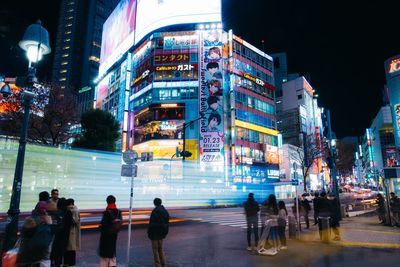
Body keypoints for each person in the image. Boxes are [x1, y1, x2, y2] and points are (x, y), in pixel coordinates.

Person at [99, 195, 122, 267]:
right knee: (112, 254)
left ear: (107, 202)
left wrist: (100, 226)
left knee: (105, 257)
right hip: (114, 236)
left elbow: (104, 226)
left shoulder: (106, 213)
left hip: (106, 238)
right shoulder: (118, 212)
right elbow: (120, 224)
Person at [148, 198, 170, 267]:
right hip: (161, 233)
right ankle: (164, 264)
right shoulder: (165, 211)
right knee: (160, 249)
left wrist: (149, 233)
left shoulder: (155, 211)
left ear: (154, 203)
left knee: (155, 250)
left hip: (155, 234)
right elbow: (167, 222)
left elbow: (151, 224)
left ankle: (158, 265)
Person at [64, 198, 81, 267]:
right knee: (70, 249)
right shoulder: (74, 210)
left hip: (72, 232)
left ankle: (70, 264)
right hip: (72, 232)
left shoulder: (74, 210)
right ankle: (70, 263)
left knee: (71, 249)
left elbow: (75, 221)